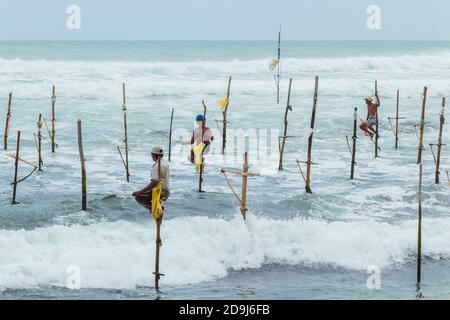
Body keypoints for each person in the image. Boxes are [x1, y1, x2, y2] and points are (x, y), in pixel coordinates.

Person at [132, 146, 170, 210]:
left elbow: (154, 182)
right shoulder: (165, 163)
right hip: (166, 191)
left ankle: (155, 209)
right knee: (147, 198)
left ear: (153, 155)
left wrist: (140, 192)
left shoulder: (157, 165)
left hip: (160, 192)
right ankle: (156, 209)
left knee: (138, 197)